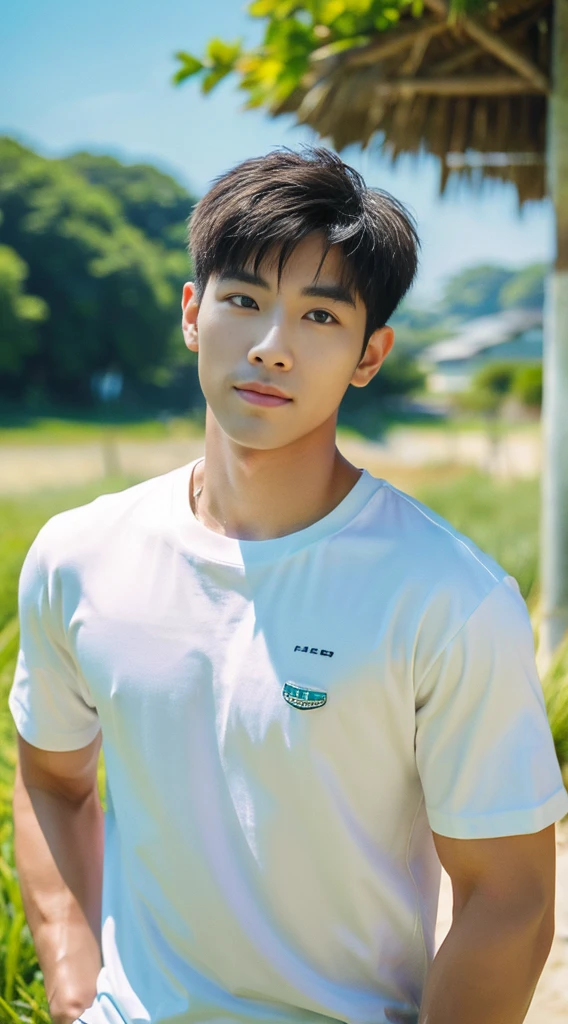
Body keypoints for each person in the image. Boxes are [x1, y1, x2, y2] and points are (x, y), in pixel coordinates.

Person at [9, 145, 568, 1024]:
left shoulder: (449, 597)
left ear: (369, 354)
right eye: (243, 301)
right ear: (194, 313)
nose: (271, 347)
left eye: (318, 316)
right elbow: (52, 776)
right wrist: (78, 986)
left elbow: (512, 898)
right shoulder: (79, 554)